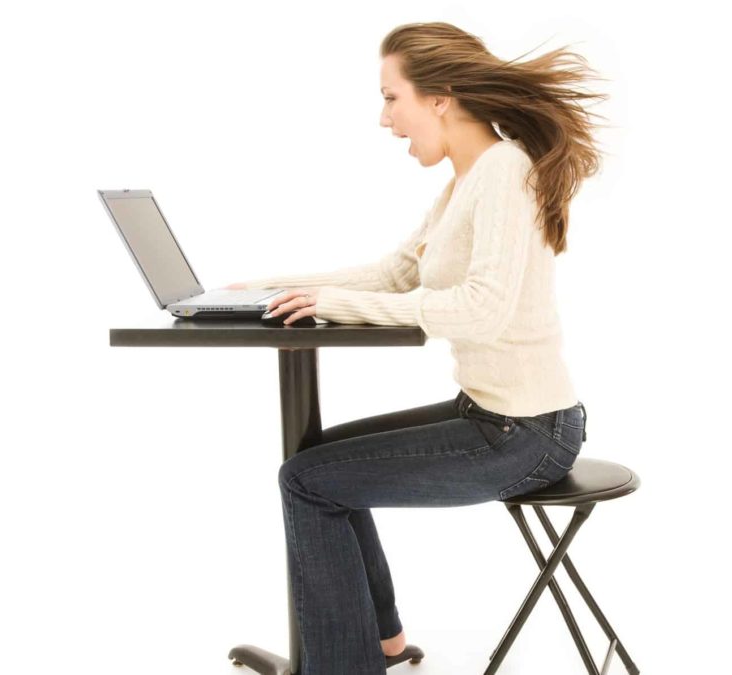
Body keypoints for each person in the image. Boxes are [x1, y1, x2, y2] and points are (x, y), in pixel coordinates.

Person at [225, 21, 607, 675]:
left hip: (525, 433)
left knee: (306, 481)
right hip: (499, 418)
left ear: (441, 96)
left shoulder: (505, 173)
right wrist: (262, 288)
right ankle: (381, 646)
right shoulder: (468, 181)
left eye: (391, 97)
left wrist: (331, 305)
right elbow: (393, 274)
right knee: (317, 464)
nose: (384, 119)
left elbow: (481, 309)